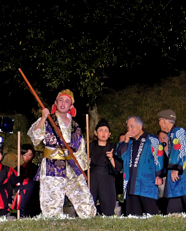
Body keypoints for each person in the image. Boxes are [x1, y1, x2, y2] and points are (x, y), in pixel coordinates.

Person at [28, 90, 96, 218]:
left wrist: (83, 164)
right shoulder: (48, 120)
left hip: (71, 164)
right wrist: (43, 117)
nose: (63, 103)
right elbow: (35, 137)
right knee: (52, 198)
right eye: (60, 100)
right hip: (52, 164)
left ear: (71, 106)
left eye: (67, 101)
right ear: (55, 103)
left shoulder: (75, 125)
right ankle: (52, 218)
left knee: (82, 192)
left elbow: (80, 147)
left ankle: (88, 216)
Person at [114, 116, 163, 216]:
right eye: (128, 128)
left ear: (140, 126)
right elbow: (119, 154)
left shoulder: (152, 140)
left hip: (147, 186)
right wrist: (126, 140)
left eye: (132, 127)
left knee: (151, 217)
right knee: (133, 219)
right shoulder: (129, 142)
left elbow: (160, 157)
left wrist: (159, 174)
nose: (129, 130)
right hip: (131, 186)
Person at [157, 110, 186, 214]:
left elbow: (182, 149)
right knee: (174, 209)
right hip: (179, 180)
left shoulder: (178, 131)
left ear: (164, 121)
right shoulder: (173, 134)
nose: (159, 123)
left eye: (159, 121)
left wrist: (176, 168)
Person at [88, 119, 120, 216]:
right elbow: (83, 164)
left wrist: (111, 159)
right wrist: (86, 163)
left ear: (109, 134)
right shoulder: (90, 147)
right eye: (101, 130)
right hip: (92, 176)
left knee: (108, 206)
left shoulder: (113, 147)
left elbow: (117, 167)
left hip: (107, 177)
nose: (103, 133)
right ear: (96, 133)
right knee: (89, 202)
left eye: (106, 131)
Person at [12, 144, 40, 217]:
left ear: (33, 155)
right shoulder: (18, 169)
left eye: (29, 155)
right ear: (22, 155)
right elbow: (12, 183)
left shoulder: (37, 169)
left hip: (34, 198)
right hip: (22, 197)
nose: (27, 157)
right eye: (25, 155)